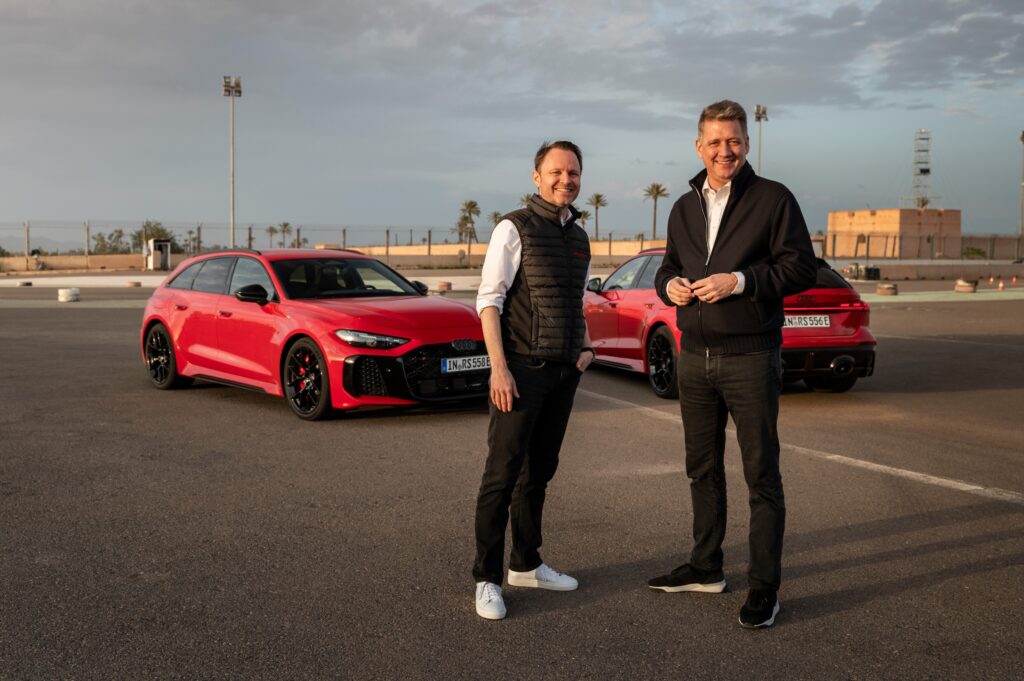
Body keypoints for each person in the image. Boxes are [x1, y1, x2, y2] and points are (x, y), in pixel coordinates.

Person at [651, 100, 816, 628]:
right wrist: (670, 287)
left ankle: (765, 587)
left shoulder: (774, 199)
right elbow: (668, 267)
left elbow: (801, 268)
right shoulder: (683, 207)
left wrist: (739, 281)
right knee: (701, 469)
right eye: (716, 142)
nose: (726, 151)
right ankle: (706, 567)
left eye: (735, 141)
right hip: (694, 358)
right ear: (699, 146)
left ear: (747, 142)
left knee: (761, 475)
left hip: (751, 357)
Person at [472, 140, 595, 621]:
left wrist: (586, 348)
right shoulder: (514, 227)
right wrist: (499, 368)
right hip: (521, 370)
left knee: (540, 471)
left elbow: (576, 299)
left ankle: (525, 563)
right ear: (537, 177)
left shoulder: (579, 237)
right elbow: (489, 301)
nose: (566, 179)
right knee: (501, 474)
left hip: (564, 373)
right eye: (557, 172)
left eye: (574, 172)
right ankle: (486, 578)